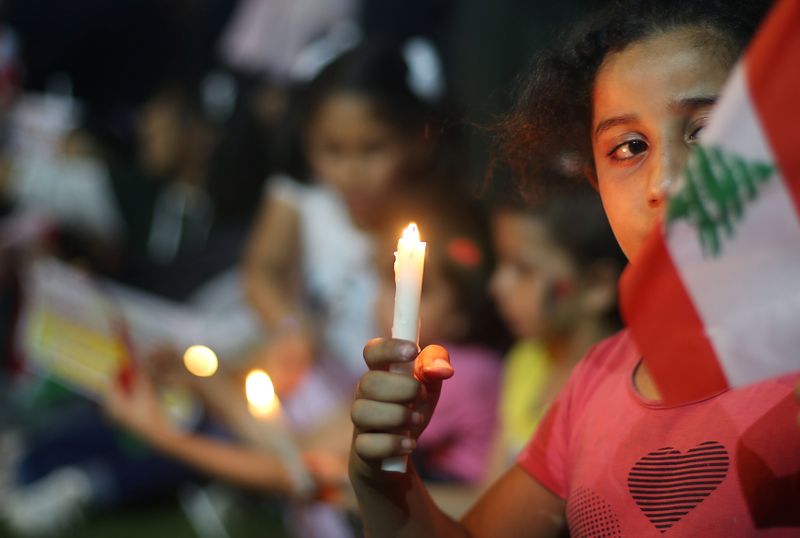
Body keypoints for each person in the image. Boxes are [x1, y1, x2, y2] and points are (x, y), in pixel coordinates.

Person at [348, 1, 800, 536]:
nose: (666, 183)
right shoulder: (597, 380)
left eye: (706, 131)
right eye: (629, 148)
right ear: (596, 186)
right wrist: (382, 484)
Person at [242, 42, 442, 395]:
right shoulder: (300, 196)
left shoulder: (431, 220)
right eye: (333, 149)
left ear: (416, 140)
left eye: (372, 148)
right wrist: (290, 326)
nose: (351, 171)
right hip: (309, 378)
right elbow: (261, 271)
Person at [373, 196, 505, 515]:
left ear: (461, 313)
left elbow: (346, 438)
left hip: (459, 500)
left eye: (424, 288)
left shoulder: (457, 368)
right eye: (389, 280)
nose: (392, 297)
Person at [488, 186, 625, 462]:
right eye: (501, 264)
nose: (497, 285)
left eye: (523, 270)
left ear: (597, 286)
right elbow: (490, 490)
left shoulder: (620, 388)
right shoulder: (526, 361)